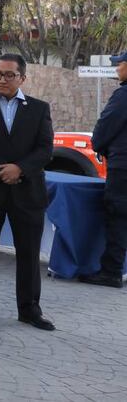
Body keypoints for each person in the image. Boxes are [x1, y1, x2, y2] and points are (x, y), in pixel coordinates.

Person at [0, 54, 55, 330]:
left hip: (27, 192)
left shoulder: (39, 109)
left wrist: (20, 169)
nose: (1, 79)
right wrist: (1, 169)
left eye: (8, 75)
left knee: (28, 253)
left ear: (22, 78)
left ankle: (29, 310)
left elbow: (45, 149)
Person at [80, 51, 127, 288]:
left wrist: (99, 145)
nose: (117, 69)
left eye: (121, 65)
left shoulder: (123, 95)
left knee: (118, 217)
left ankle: (111, 272)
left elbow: (105, 126)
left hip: (123, 168)